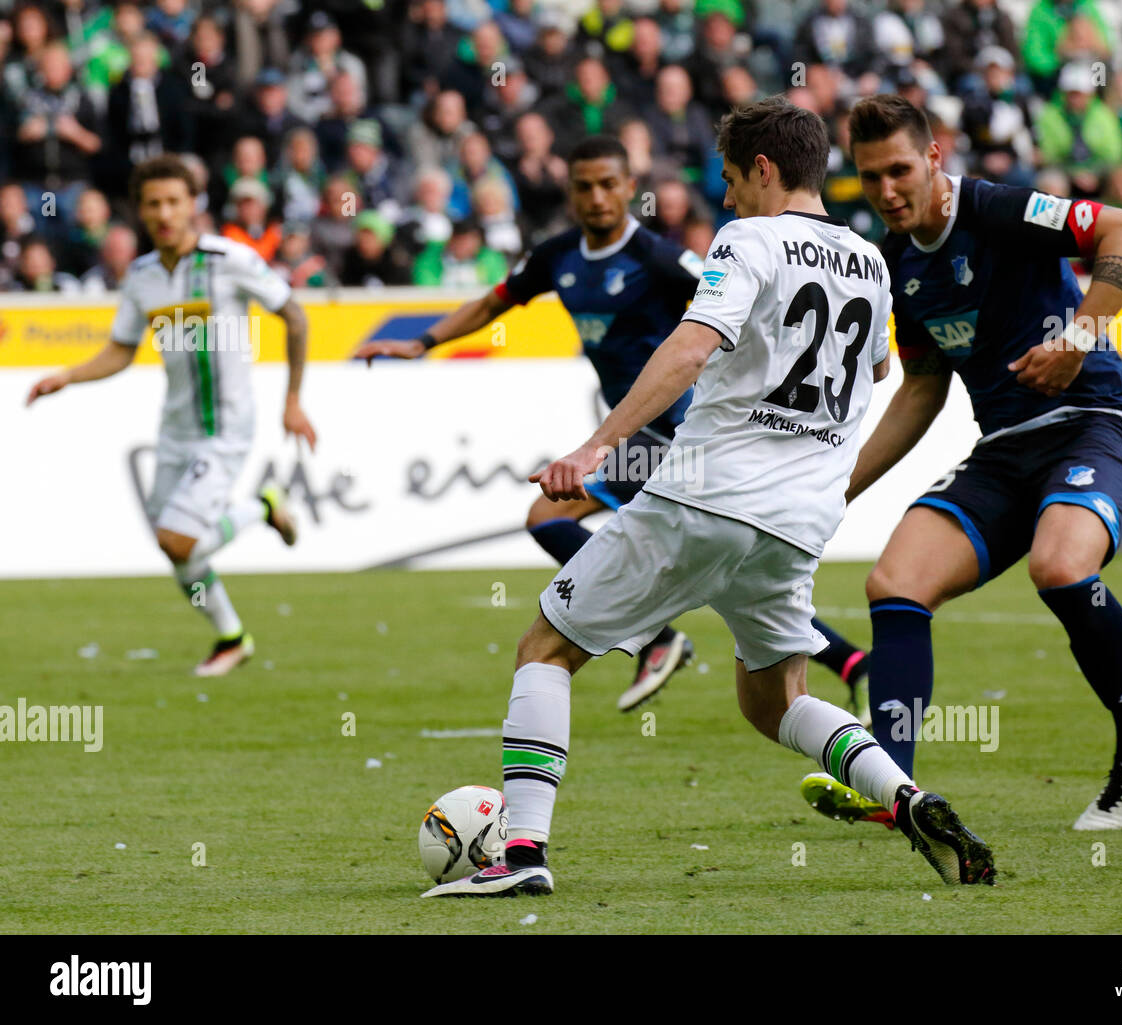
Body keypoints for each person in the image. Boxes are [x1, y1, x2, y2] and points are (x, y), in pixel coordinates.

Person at [424, 97, 996, 898]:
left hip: (704, 496)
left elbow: (692, 346)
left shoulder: (748, 238)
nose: (726, 197)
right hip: (798, 521)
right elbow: (875, 374)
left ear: (763, 169)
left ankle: (519, 853)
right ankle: (905, 796)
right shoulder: (869, 258)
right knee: (777, 701)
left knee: (545, 651)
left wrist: (596, 449)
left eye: (730, 178)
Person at [356, 135, 875, 714]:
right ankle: (849, 659)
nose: (598, 197)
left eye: (609, 184)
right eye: (584, 187)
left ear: (631, 187)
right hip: (642, 438)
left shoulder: (659, 258)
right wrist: (423, 342)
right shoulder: (557, 257)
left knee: (548, 515)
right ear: (571, 193)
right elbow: (494, 302)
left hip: (674, 433)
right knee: (728, 580)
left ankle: (657, 636)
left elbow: (731, 313)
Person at [812, 94, 1122, 833]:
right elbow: (922, 387)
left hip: (1093, 426)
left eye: (900, 171)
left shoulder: (995, 209)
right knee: (894, 583)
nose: (886, 191)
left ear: (935, 158)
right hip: (1006, 450)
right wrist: (835, 490)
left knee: (1061, 566)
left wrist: (1078, 339)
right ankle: (895, 788)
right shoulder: (891, 264)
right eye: (869, 178)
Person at [25, 154, 318, 677]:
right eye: (153, 203)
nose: (164, 213)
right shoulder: (140, 276)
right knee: (177, 550)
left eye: (173, 202)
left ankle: (261, 507)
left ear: (192, 206)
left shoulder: (230, 258)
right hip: (175, 427)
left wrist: (292, 399)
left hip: (226, 426)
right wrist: (66, 376)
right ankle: (231, 637)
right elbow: (121, 350)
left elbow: (293, 316)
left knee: (175, 539)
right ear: (140, 211)